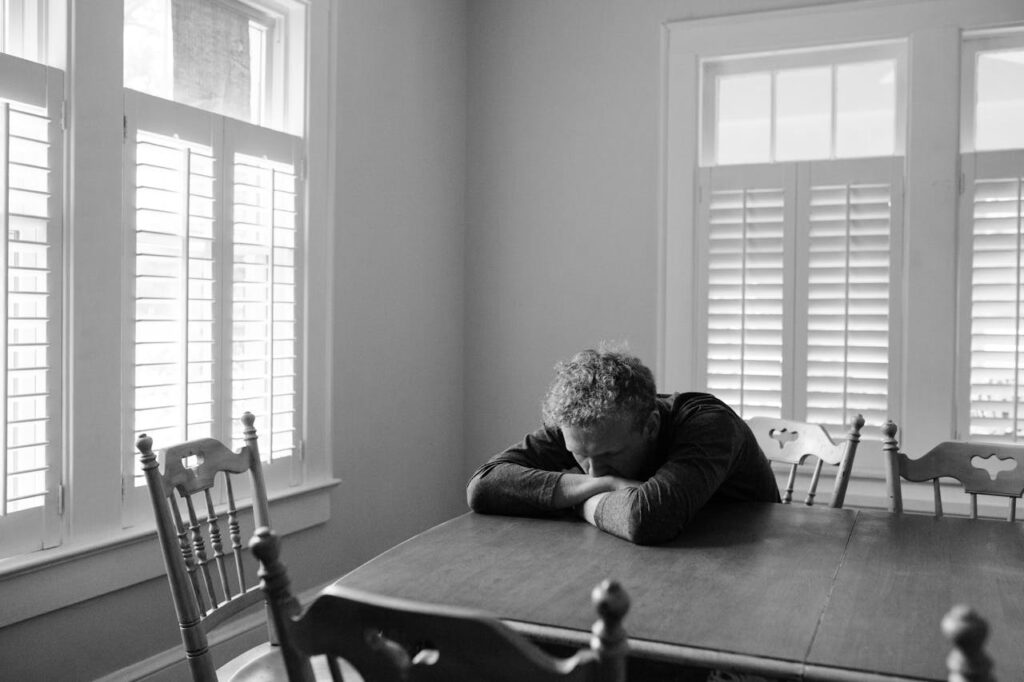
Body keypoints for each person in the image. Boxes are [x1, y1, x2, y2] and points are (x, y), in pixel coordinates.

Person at [466, 346, 780, 545]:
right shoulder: (583, 427)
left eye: (610, 456)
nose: (594, 471)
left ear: (651, 426)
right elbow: (483, 486)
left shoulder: (708, 423)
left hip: (753, 563)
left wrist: (577, 500)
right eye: (580, 456)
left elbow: (647, 518)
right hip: (648, 560)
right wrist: (609, 484)